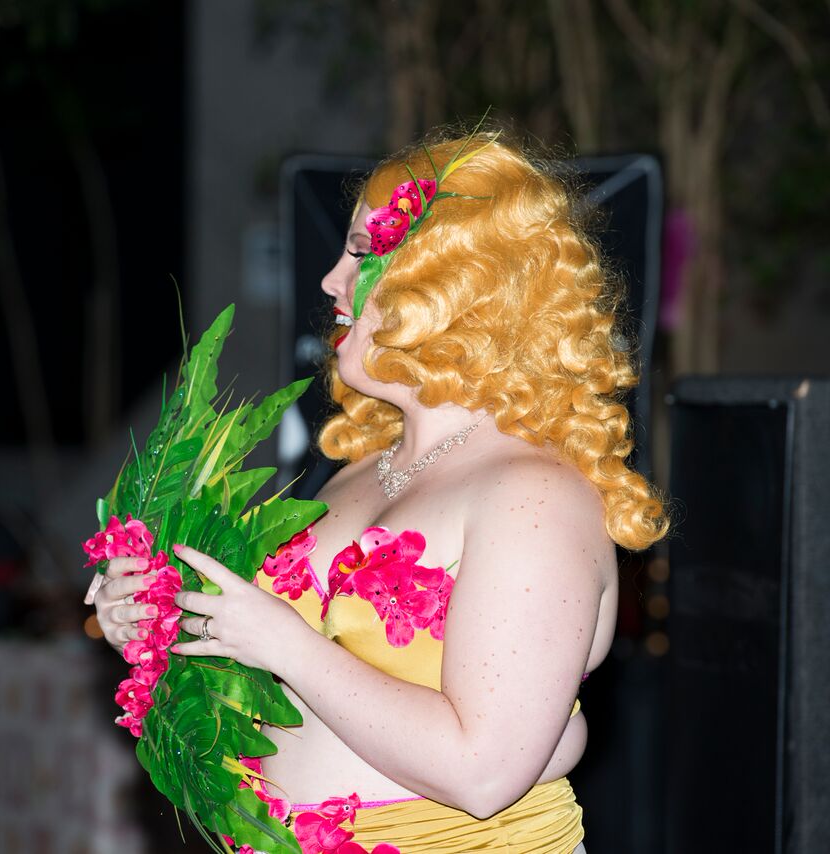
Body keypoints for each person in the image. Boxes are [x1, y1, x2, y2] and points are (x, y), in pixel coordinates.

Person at [89, 130, 668, 853]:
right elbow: (282, 691)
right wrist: (161, 621)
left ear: (455, 282)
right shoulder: (361, 472)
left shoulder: (536, 497)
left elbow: (485, 772)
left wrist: (285, 643)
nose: (331, 281)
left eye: (362, 254)